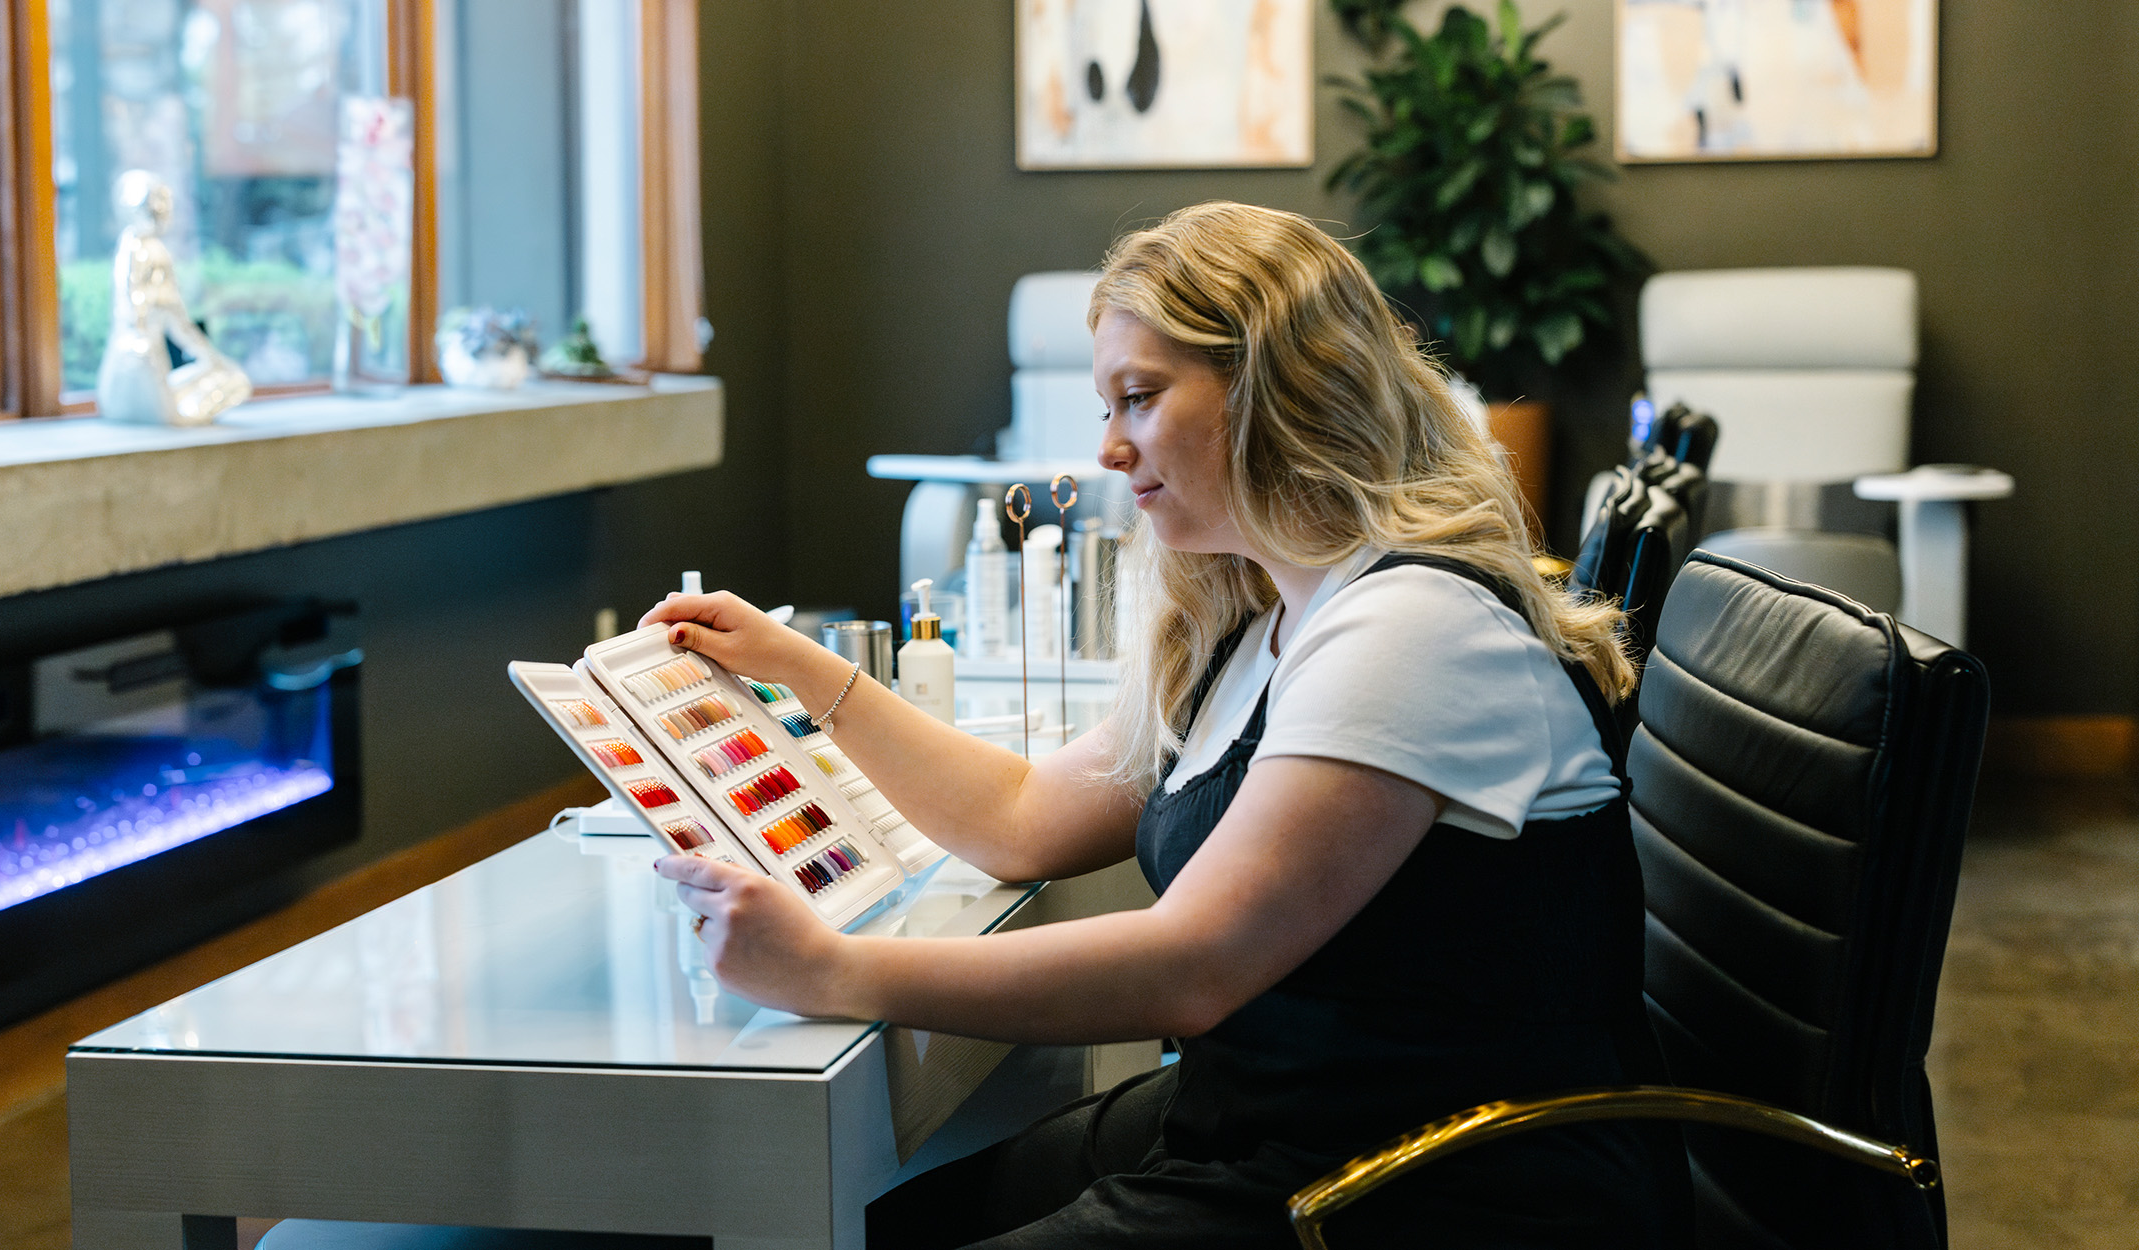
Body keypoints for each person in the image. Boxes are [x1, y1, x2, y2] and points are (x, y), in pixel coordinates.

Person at [643, 202, 1687, 1248]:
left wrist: (829, 968)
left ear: (1283, 387)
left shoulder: (1411, 627)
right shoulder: (1272, 616)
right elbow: (1020, 817)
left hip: (1432, 1188)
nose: (1106, 448)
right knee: (885, 1223)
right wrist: (793, 668)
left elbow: (1192, 965)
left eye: (1138, 398)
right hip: (1285, 1134)